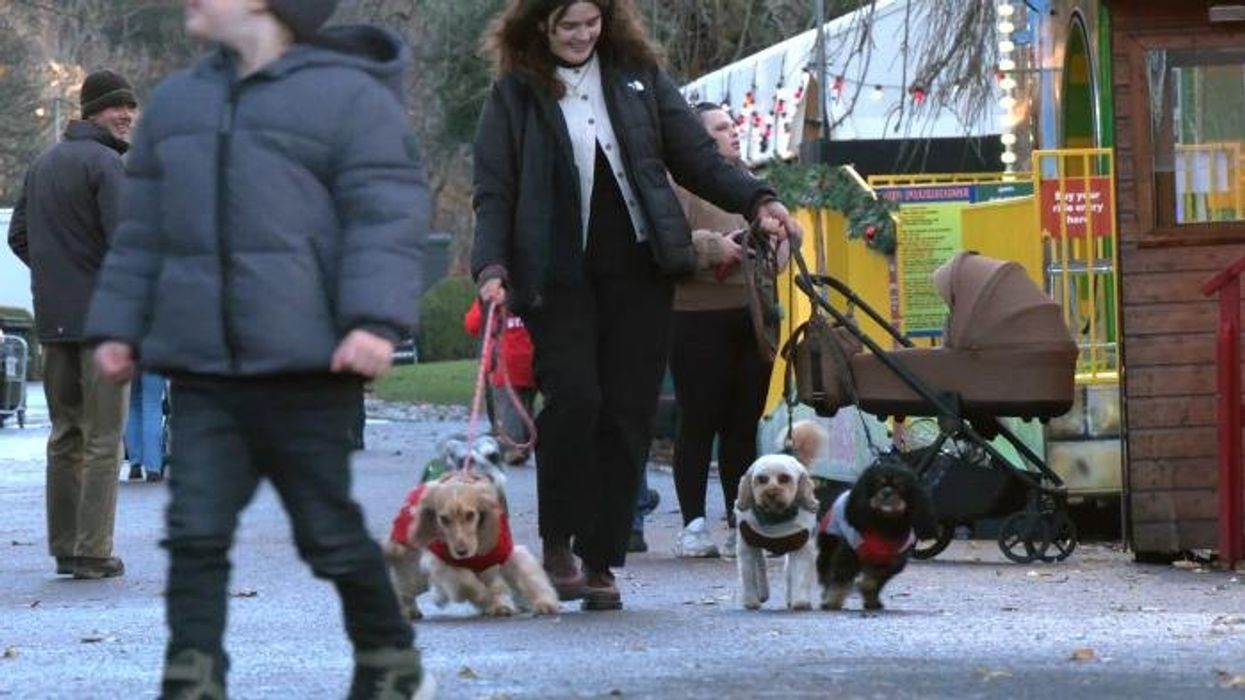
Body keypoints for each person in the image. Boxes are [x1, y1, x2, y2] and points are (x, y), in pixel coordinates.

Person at [83, 1, 432, 697]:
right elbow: (143, 234)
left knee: (327, 533)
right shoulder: (180, 103)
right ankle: (193, 670)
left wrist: (372, 320)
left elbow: (385, 214)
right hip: (205, 368)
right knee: (194, 533)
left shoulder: (346, 97)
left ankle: (388, 654)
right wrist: (119, 325)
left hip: (306, 367)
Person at [473, 0, 802, 611]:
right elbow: (494, 190)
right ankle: (557, 543)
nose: (581, 36)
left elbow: (697, 158)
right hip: (557, 273)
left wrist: (758, 201)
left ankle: (600, 560)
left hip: (639, 270)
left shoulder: (639, 78)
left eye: (591, 23)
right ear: (539, 26)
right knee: (575, 397)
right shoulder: (515, 94)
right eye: (567, 26)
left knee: (627, 411)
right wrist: (491, 265)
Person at [7, 69, 138, 581]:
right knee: (105, 438)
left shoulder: (42, 165)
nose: (127, 115)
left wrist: (59, 274)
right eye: (116, 107)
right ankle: (93, 550)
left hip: (55, 321)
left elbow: (19, 236)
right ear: (91, 113)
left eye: (131, 107)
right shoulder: (107, 165)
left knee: (66, 435)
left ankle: (65, 546)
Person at [670, 103, 787, 560]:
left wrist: (775, 245)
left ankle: (742, 517)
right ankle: (693, 524)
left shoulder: (751, 184)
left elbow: (777, 253)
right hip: (695, 315)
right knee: (699, 420)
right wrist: (713, 248)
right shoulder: (678, 184)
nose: (734, 134)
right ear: (700, 139)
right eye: (721, 128)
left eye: (735, 126)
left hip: (751, 314)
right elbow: (667, 243)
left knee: (743, 423)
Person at [463, 296, 537, 465]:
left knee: (508, 407)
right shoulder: (532, 290)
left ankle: (513, 447)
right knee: (525, 406)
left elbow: (472, 325)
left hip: (504, 363)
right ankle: (525, 443)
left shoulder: (492, 294)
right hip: (533, 360)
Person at [124, 372, 167, 482]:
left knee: (132, 404)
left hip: (130, 356)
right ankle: (153, 468)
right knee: (152, 405)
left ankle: (135, 465)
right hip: (155, 357)